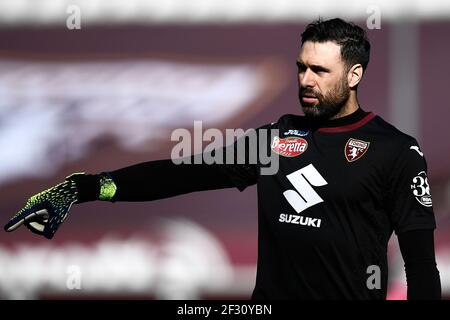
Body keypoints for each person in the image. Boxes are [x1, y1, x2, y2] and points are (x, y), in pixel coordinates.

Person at [4, 18, 441, 300]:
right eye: (301, 67)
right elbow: (183, 173)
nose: (306, 81)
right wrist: (87, 186)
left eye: (320, 72)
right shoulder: (275, 139)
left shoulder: (396, 151)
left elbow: (420, 264)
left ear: (354, 75)